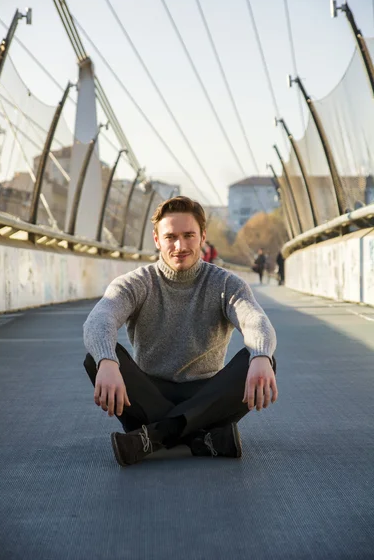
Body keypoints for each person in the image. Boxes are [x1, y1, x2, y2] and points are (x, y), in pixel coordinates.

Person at [83, 196, 278, 467]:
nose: (179, 246)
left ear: (203, 237)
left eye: (189, 235)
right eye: (171, 236)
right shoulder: (137, 283)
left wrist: (260, 356)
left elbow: (255, 320)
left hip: (207, 396)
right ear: (156, 239)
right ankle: (203, 439)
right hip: (149, 394)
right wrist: (106, 360)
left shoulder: (225, 283)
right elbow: (99, 319)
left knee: (261, 359)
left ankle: (154, 436)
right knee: (96, 356)